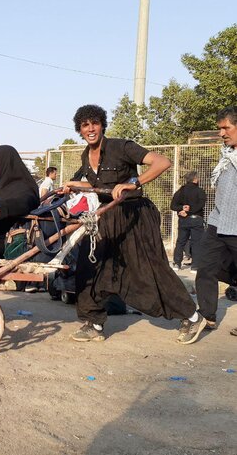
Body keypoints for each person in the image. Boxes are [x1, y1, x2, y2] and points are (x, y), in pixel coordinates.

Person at [63, 104, 205, 345]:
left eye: (94, 123)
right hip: (106, 217)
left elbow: (162, 162)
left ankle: (192, 317)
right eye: (85, 125)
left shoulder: (121, 146)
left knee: (149, 270)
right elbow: (102, 186)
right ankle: (94, 323)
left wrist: (134, 182)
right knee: (91, 266)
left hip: (134, 217)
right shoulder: (85, 156)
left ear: (102, 125)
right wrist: (73, 184)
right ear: (79, 129)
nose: (90, 129)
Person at [195, 106, 237, 336]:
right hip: (218, 222)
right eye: (220, 128)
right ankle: (207, 316)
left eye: (226, 128)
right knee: (206, 269)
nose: (221, 133)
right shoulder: (227, 156)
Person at [169, 171, 206, 272]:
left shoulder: (180, 191)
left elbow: (172, 206)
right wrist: (189, 212)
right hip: (196, 219)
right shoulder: (200, 191)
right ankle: (195, 266)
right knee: (196, 242)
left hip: (183, 219)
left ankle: (177, 263)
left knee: (181, 241)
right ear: (195, 179)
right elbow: (201, 205)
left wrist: (181, 209)